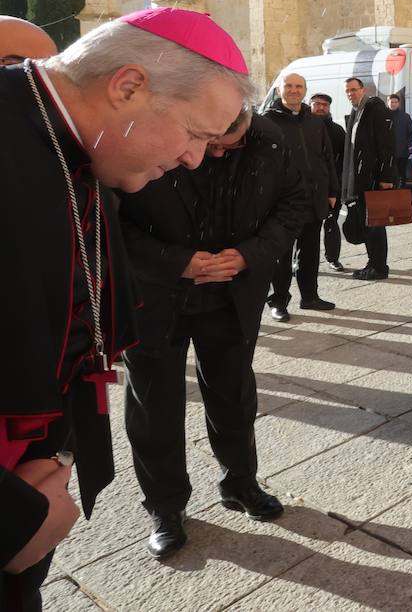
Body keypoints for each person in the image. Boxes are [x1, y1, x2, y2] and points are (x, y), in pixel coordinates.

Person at [1, 8, 251, 610]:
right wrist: (14, 519)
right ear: (128, 85)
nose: (195, 159)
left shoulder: (74, 148)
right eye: (194, 133)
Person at [118, 107, 306, 559]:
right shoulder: (141, 130)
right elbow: (106, 215)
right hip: (156, 295)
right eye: (206, 142)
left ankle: (239, 482)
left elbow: (296, 203)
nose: (214, 154)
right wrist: (173, 261)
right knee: (154, 404)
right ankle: (165, 507)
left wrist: (248, 254)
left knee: (233, 394)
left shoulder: (269, 138)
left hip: (230, 293)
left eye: (229, 144)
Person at [263, 74, 338, 321]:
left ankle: (310, 296)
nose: (294, 91)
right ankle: (279, 301)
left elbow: (327, 159)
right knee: (280, 255)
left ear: (305, 90)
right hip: (282, 202)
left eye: (298, 87)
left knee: (310, 252)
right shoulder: (267, 122)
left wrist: (332, 192)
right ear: (279, 89)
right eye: (289, 86)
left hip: (314, 198)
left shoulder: (315, 122)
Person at [342, 77, 397, 280]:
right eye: (347, 90)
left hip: (374, 179)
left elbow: (386, 144)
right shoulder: (357, 112)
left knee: (375, 224)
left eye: (354, 90)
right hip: (361, 179)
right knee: (368, 223)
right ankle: (373, 262)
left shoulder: (374, 109)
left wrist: (385, 176)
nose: (350, 94)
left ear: (363, 90)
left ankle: (379, 267)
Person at [311, 93, 348, 272]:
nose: (321, 108)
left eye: (324, 105)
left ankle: (333, 258)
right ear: (310, 105)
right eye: (317, 104)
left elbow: (343, 161)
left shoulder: (337, 131)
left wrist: (336, 186)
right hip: (305, 187)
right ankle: (301, 261)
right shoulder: (302, 128)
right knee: (305, 228)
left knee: (332, 224)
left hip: (331, 186)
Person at [387, 93, 412, 185]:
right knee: (389, 175)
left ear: (399, 103)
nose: (393, 104)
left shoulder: (405, 117)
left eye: (395, 102)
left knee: (401, 175)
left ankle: (401, 193)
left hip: (402, 152)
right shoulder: (382, 116)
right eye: (391, 102)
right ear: (388, 102)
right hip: (387, 153)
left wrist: (408, 146)